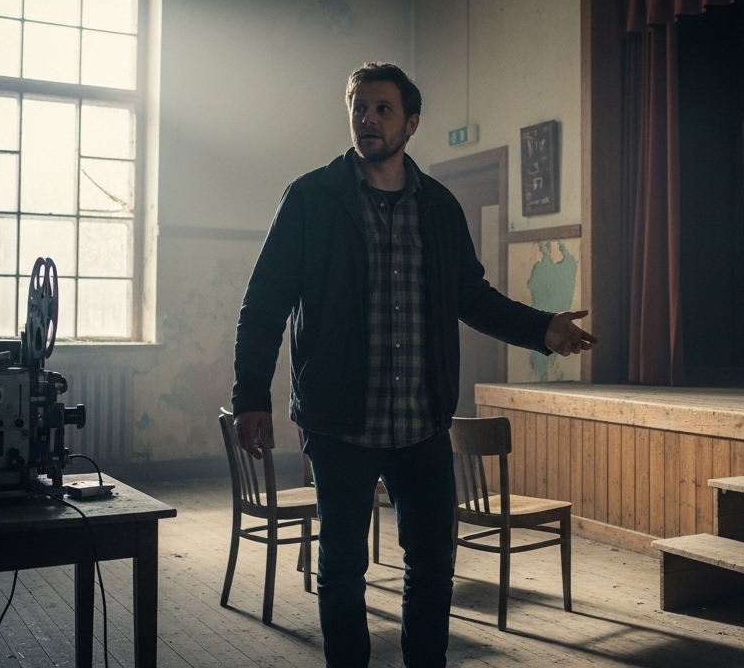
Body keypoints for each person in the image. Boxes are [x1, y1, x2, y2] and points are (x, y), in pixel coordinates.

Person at [231, 62, 596, 668]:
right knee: (342, 568)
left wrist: (542, 328)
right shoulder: (311, 198)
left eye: (382, 109)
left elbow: (471, 297)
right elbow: (264, 304)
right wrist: (250, 396)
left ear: (411, 123)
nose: (367, 119)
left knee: (432, 567)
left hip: (423, 426)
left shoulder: (439, 208)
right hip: (339, 424)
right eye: (359, 108)